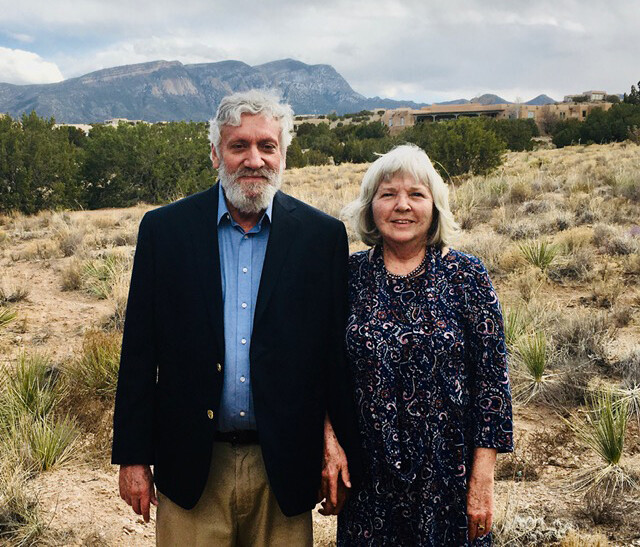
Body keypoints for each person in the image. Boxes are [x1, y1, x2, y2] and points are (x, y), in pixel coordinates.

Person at [112, 89, 361, 546]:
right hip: (192, 465)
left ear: (283, 154)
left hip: (283, 465)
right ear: (215, 154)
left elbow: (331, 356)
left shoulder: (321, 238)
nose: (254, 159)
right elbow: (139, 353)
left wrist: (335, 440)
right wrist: (132, 458)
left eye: (267, 146)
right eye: (238, 146)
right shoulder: (165, 232)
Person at [336, 144, 513, 546]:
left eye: (416, 194)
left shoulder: (467, 276)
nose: (402, 206)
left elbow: (492, 386)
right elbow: (325, 371)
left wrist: (482, 480)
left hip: (449, 479)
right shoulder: (348, 276)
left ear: (434, 206)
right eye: (388, 194)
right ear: (370, 206)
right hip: (369, 484)